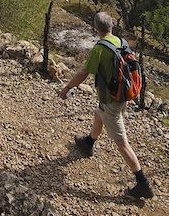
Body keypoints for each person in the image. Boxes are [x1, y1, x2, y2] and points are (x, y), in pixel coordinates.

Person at [58, 11, 154, 201]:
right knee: (98, 112)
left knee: (122, 142)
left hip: (111, 100)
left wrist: (67, 87)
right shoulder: (120, 42)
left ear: (96, 28)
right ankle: (88, 143)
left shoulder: (99, 49)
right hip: (122, 94)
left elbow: (83, 73)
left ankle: (142, 182)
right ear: (111, 26)